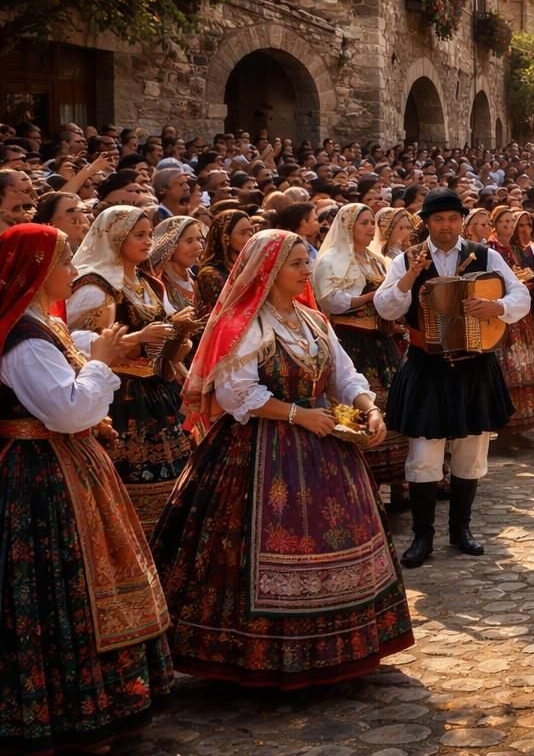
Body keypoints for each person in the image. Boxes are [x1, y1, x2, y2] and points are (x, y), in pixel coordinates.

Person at [152, 229, 415, 687]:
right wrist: (298, 415)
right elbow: (236, 393)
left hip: (324, 443)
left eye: (305, 262)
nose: (305, 270)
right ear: (269, 270)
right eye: (295, 263)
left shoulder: (313, 321)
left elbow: (343, 374)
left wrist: (368, 407)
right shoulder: (244, 324)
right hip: (259, 447)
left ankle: (341, 644)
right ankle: (257, 652)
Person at [0, 223, 174, 754]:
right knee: (60, 585)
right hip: (42, 478)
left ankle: (102, 702)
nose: (72, 271)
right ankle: (68, 712)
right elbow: (68, 410)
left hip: (66, 467)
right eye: (63, 261)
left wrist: (102, 352)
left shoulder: (41, 326)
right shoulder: (24, 341)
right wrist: (100, 362)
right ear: (35, 273)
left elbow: (70, 360)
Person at [374, 188, 531, 568]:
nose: (446, 226)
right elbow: (385, 307)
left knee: (471, 452)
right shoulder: (408, 259)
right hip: (426, 365)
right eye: (438, 219)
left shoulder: (485, 255)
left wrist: (496, 306)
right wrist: (409, 277)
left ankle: (461, 530)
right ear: (426, 223)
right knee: (423, 455)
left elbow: (521, 297)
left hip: (474, 365)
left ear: (461, 221)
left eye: (452, 218)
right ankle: (422, 536)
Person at [67, 205, 196, 533]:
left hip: (157, 389)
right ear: (116, 237)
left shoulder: (148, 282)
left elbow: (162, 336)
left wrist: (178, 336)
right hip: (118, 393)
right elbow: (75, 344)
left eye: (149, 234)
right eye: (139, 235)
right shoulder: (95, 286)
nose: (148, 241)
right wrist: (138, 338)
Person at [312, 203, 410, 494]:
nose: (370, 228)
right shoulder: (332, 260)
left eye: (371, 223)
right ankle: (364, 484)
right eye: (364, 223)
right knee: (355, 405)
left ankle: (398, 481)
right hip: (351, 341)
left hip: (382, 342)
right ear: (348, 226)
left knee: (392, 405)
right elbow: (331, 301)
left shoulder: (377, 260)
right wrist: (368, 298)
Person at [488, 207, 534, 448]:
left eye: (511, 222)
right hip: (504, 316)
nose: (509, 226)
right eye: (504, 221)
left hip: (521, 316)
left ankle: (519, 428)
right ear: (495, 224)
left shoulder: (515, 249)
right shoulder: (492, 248)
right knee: (508, 372)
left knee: (524, 368)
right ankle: (505, 431)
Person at [196, 209, 253, 317]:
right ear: (225, 238)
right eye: (243, 233)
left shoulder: (249, 267)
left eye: (251, 232)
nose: (250, 238)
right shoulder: (210, 274)